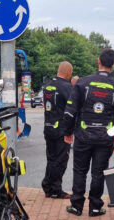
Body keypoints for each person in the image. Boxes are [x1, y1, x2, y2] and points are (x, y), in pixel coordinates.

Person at [61, 48, 114, 217]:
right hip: (105, 139)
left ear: (98, 61)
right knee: (98, 172)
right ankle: (95, 207)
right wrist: (112, 135)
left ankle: (76, 206)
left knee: (79, 171)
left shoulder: (82, 83)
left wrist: (68, 132)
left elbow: (70, 112)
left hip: (83, 136)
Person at [41, 61, 74, 199]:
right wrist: (69, 132)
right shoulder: (67, 87)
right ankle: (56, 189)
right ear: (68, 72)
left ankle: (47, 186)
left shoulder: (47, 87)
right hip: (61, 129)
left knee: (51, 159)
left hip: (48, 127)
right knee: (60, 160)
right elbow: (71, 111)